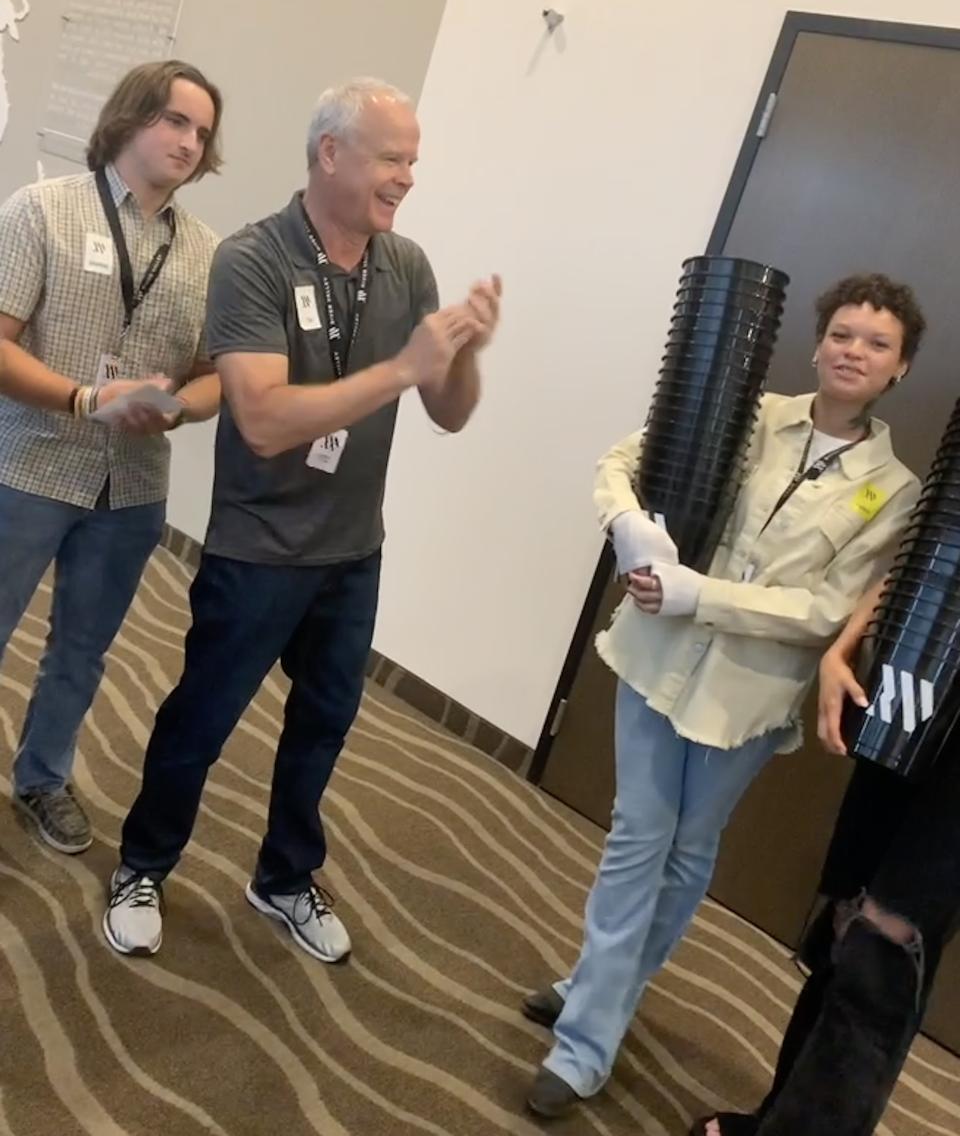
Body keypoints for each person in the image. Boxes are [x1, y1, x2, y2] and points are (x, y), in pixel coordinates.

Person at [102, 77, 501, 963]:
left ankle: (284, 877)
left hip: (352, 550)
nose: (407, 178)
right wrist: (403, 368)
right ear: (330, 153)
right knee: (202, 721)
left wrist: (464, 354)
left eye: (413, 162)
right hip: (259, 548)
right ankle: (143, 865)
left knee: (323, 725)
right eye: (392, 159)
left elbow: (449, 411)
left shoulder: (406, 266)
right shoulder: (254, 260)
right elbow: (265, 420)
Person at [522, 274, 926, 1120]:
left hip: (748, 699)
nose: (854, 351)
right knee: (639, 835)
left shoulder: (893, 490)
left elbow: (824, 611)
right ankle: (587, 1041)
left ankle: (593, 988)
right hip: (656, 657)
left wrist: (698, 594)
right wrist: (630, 528)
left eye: (877, 343)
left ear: (900, 368)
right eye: (842, 333)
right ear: (818, 342)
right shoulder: (751, 413)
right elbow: (621, 462)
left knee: (687, 852)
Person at [0, 59, 223, 855]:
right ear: (130, 118)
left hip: (129, 487)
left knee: (83, 649)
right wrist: (85, 399)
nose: (190, 141)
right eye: (175, 120)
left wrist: (178, 407)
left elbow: (215, 374)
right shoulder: (43, 211)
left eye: (203, 131)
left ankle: (43, 777)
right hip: (27, 464)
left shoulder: (207, 254)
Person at [694, 573, 960, 1136]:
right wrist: (844, 647)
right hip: (925, 671)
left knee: (887, 942)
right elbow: (930, 545)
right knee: (848, 915)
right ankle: (780, 1117)